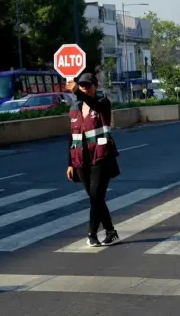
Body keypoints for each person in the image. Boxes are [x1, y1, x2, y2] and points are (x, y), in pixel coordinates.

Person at [66, 72, 121, 247]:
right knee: (94, 197)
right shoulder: (74, 108)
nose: (84, 88)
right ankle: (110, 231)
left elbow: (94, 104)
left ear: (95, 87)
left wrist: (76, 91)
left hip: (101, 155)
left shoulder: (102, 103)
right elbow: (72, 136)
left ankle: (91, 233)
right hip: (81, 158)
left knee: (96, 195)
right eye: (81, 85)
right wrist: (69, 163)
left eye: (88, 85)